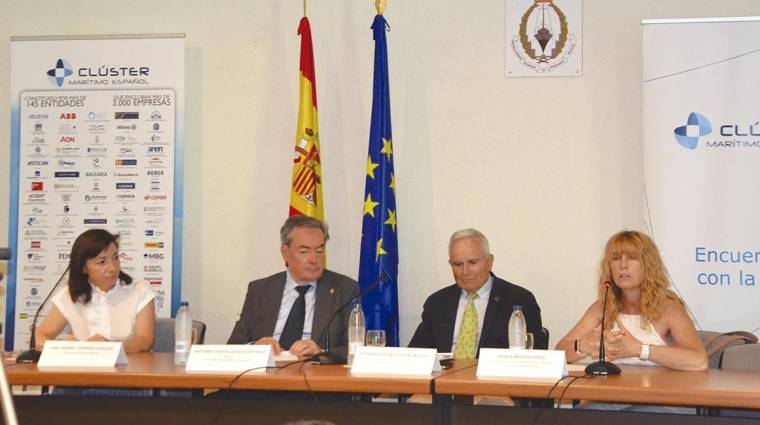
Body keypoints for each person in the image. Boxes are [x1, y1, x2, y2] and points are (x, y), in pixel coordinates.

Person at [556, 230, 708, 371]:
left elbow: (699, 361)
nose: (623, 265)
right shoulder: (602, 307)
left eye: (632, 258)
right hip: (611, 395)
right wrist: (584, 345)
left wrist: (639, 349)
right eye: (616, 258)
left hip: (657, 396)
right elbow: (558, 354)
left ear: (648, 265)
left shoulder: (669, 308)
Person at [228, 215, 359, 360]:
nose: (314, 259)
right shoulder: (260, 290)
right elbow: (234, 345)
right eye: (304, 252)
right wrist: (255, 347)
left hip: (316, 374)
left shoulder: (345, 289)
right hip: (266, 374)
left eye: (319, 251)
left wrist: (321, 352)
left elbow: (356, 349)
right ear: (285, 252)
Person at [409, 228, 545, 358]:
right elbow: (417, 354)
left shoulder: (519, 299)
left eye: (472, 262)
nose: (465, 271)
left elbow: (536, 355)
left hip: (494, 380)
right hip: (445, 379)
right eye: (458, 264)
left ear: (489, 262)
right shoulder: (437, 303)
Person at [36, 228, 155, 352]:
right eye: (102, 262)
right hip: (84, 369)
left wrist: (111, 346)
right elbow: (39, 337)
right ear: (83, 268)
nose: (113, 268)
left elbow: (145, 341)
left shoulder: (139, 290)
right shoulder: (69, 295)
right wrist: (64, 347)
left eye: (115, 258)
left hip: (129, 368)